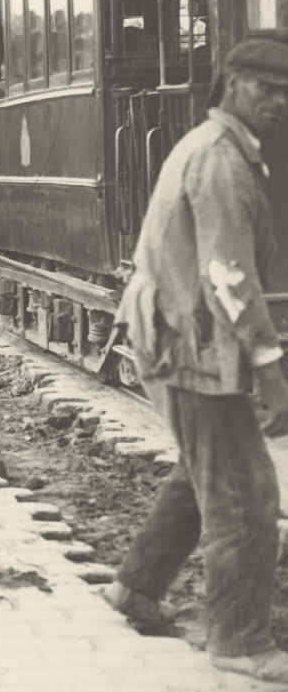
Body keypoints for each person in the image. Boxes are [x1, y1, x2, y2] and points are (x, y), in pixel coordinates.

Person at [104, 37, 288, 683]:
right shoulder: (219, 159)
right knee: (245, 495)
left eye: (287, 91)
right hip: (188, 341)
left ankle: (134, 586)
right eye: (265, 87)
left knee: (201, 470)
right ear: (231, 83)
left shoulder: (223, 149)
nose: (277, 100)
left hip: (180, 334)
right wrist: (269, 367)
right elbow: (227, 274)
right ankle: (238, 641)